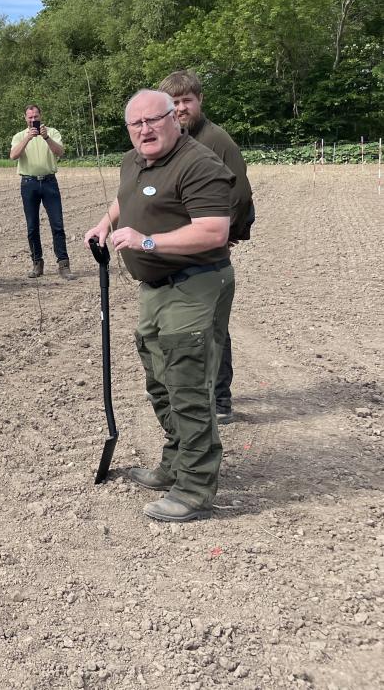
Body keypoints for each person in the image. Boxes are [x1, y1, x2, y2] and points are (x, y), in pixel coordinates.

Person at [84, 88, 235, 524]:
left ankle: (195, 487)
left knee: (186, 383)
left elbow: (213, 232)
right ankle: (175, 462)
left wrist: (147, 241)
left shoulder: (199, 165)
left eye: (154, 120)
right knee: (159, 379)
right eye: (137, 124)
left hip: (195, 282)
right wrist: (103, 223)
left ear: (175, 118)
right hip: (155, 286)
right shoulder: (134, 159)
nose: (145, 129)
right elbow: (126, 197)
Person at [160, 69, 255, 425]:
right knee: (188, 324)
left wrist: (224, 230)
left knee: (213, 327)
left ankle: (221, 399)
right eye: (174, 102)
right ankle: (196, 391)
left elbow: (240, 193)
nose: (180, 108)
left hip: (207, 250)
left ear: (199, 101)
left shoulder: (216, 141)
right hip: (182, 249)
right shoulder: (174, 139)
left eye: (187, 100)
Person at [9, 104, 71, 279]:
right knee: (32, 226)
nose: (33, 120)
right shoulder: (19, 136)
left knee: (57, 224)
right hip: (29, 183)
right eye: (30, 117)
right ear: (25, 118)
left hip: (50, 182)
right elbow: (13, 155)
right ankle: (37, 263)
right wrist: (28, 138)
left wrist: (47, 138)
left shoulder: (53, 132)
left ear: (40, 116)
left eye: (36, 116)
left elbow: (61, 152)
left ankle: (63, 264)